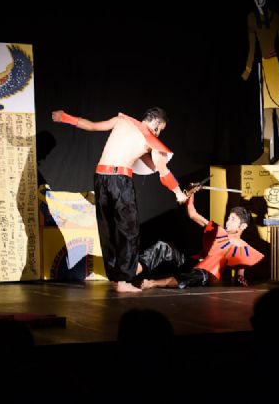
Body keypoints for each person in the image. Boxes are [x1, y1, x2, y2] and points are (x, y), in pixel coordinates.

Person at [52, 107, 188, 293]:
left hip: (100, 176)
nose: (159, 133)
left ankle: (115, 278)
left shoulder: (123, 121)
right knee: (128, 231)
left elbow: (91, 126)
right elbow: (163, 172)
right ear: (156, 122)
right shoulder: (150, 139)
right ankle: (124, 281)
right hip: (119, 181)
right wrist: (178, 192)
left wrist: (65, 117)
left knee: (107, 228)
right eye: (160, 129)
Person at [140, 187, 264, 289]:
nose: (227, 222)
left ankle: (152, 283)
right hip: (190, 263)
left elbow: (239, 272)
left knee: (198, 276)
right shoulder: (218, 231)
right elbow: (193, 214)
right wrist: (191, 194)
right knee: (163, 246)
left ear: (242, 226)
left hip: (203, 274)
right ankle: (128, 274)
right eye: (228, 218)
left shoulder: (244, 248)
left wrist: (240, 278)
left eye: (232, 219)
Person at [241, 0, 279, 165]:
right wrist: (247, 70)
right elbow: (252, 48)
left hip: (274, 67)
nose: (258, 2)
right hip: (263, 68)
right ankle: (266, 153)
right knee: (266, 114)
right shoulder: (252, 19)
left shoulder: (276, 19)